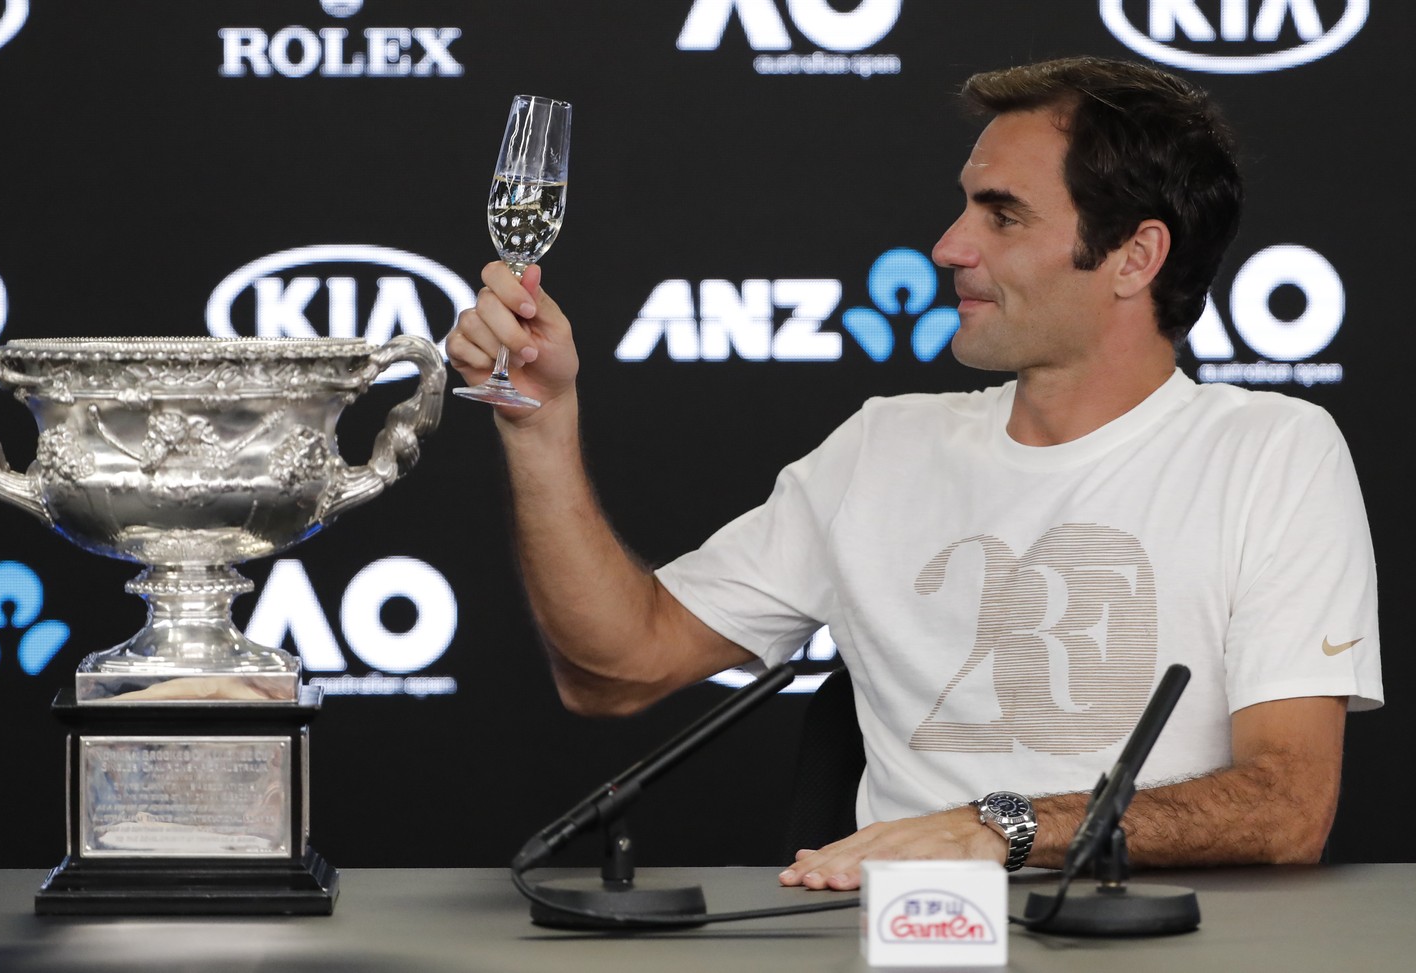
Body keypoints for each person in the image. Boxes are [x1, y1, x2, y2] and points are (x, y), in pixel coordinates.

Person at [445, 56, 1382, 890]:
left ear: (1134, 256)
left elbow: (1286, 805)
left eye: (1001, 214)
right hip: (901, 944)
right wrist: (540, 420)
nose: (948, 246)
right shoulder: (884, 446)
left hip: (1165, 944)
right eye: (965, 204)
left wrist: (994, 829)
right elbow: (615, 667)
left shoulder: (1272, 451)